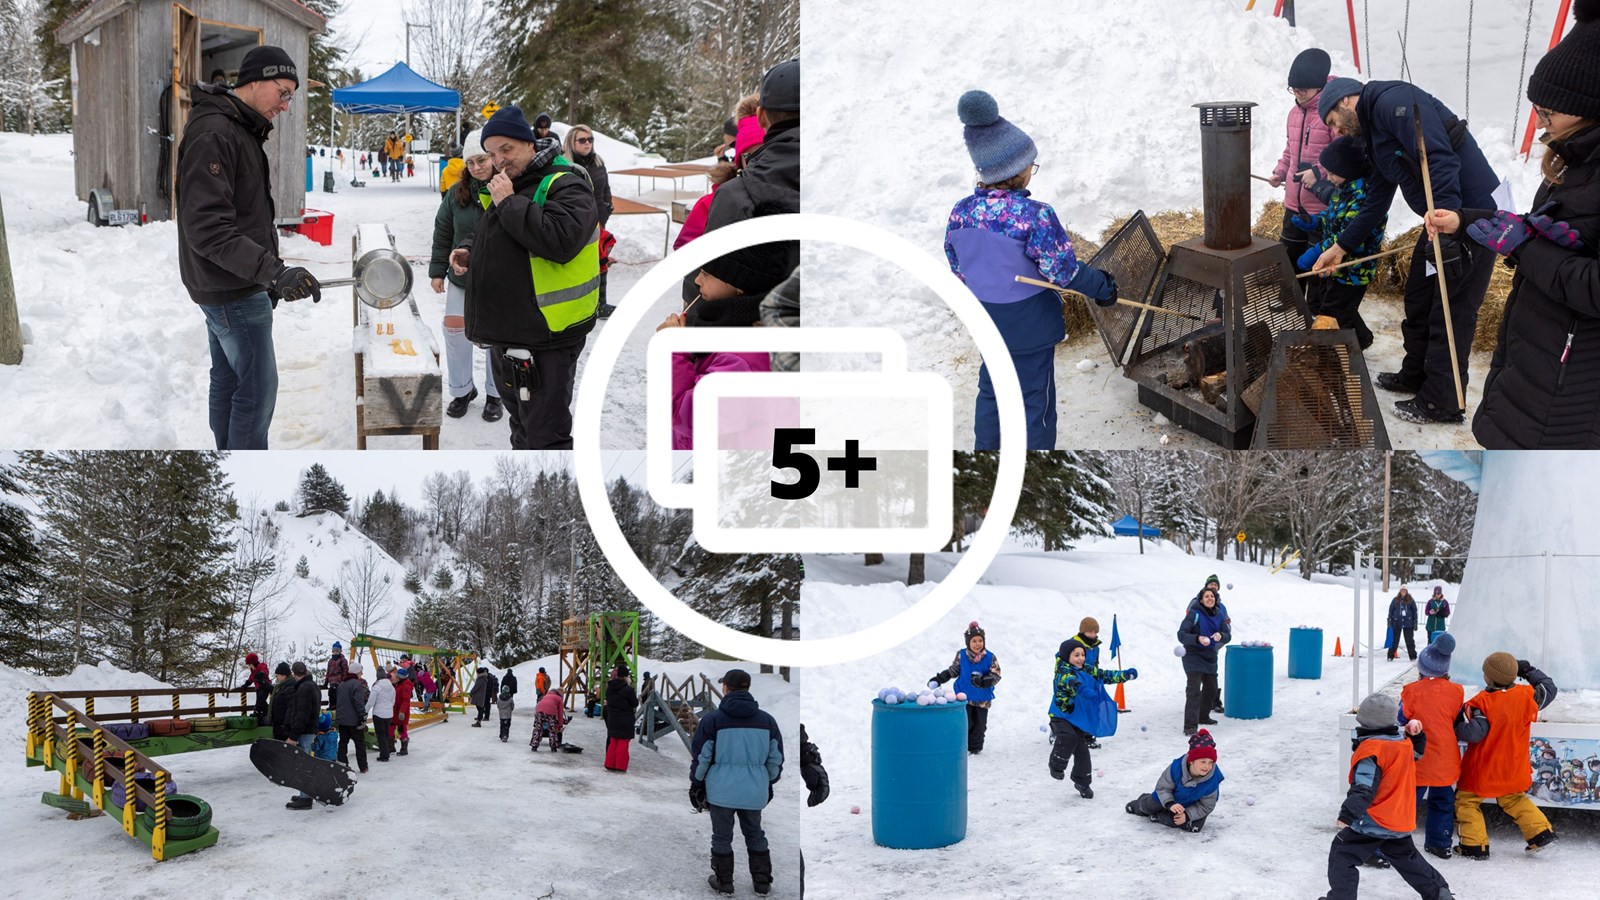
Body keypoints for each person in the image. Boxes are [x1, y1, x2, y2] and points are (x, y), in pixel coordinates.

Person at [1424, 9, 1600, 445]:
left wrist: (1524, 248)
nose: (1539, 123)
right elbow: (1542, 232)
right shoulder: (1574, 159)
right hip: (1535, 361)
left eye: (1548, 112)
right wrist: (1466, 220)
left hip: (1569, 391)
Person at [1315, 77, 1502, 425]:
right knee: (1418, 292)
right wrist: (1340, 248)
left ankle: (1442, 401)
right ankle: (1415, 373)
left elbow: (1439, 158)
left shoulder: (1392, 102)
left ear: (1344, 102)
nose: (1336, 131)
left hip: (1470, 217)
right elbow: (1375, 202)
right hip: (1440, 219)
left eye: (1332, 122)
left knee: (1450, 307)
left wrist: (1447, 231)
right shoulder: (1374, 134)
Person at [946, 90, 1116, 450]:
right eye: (1030, 165)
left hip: (987, 322)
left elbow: (958, 265)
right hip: (1029, 327)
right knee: (1032, 400)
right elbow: (1063, 271)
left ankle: (987, 453)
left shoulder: (961, 212)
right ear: (1015, 170)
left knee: (992, 393)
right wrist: (1102, 286)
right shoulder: (1035, 215)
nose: (1031, 171)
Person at [177, 46, 318, 451]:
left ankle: (228, 453)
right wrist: (272, 272)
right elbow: (207, 228)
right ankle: (246, 466)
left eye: (291, 95)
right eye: (284, 92)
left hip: (231, 283)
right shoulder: (217, 133)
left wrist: (271, 274)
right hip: (232, 290)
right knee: (255, 393)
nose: (286, 105)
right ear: (256, 81)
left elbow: (242, 216)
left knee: (230, 379)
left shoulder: (236, 128)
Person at [450, 106, 600, 450]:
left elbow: (560, 240)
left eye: (508, 149)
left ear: (531, 144)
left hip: (546, 336)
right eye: (492, 152)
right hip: (511, 333)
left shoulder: (565, 182)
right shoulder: (513, 185)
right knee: (520, 426)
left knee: (545, 437)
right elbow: (507, 236)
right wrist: (470, 249)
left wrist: (508, 201)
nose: (499, 160)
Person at [659, 235, 791, 450]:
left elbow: (688, 415)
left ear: (740, 286)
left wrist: (673, 348)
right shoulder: (726, 325)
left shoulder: (742, 357)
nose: (697, 281)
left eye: (707, 274)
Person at [1321, 693, 1453, 900]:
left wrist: (1347, 814)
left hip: (1374, 821)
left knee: (1343, 854)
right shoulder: (1401, 744)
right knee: (1409, 861)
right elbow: (1417, 752)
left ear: (1365, 722)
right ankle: (1439, 894)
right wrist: (1417, 736)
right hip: (1398, 820)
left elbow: (1363, 788)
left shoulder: (1371, 750)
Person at [1454, 651, 1560, 858]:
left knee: (1466, 802)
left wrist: (1456, 725)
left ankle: (1474, 846)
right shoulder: (1526, 697)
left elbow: (1475, 734)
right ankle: (1541, 833)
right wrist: (1528, 671)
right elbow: (1549, 688)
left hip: (1484, 769)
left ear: (1487, 677)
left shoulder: (1481, 703)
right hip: (1513, 767)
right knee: (1514, 800)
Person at [430, 131, 503, 422]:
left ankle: (496, 394)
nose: (476, 167)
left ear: (493, 159)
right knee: (455, 332)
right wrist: (438, 272)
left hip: (498, 280)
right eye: (470, 162)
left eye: (481, 160)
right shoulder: (454, 195)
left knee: (496, 337)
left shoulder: (507, 188)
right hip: (461, 279)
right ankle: (462, 390)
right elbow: (443, 233)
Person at [692, 669, 783, 896]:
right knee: (755, 833)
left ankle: (724, 882)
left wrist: (696, 782)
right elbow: (775, 759)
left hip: (721, 790)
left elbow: (702, 756)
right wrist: (767, 781)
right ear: (747, 688)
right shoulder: (767, 721)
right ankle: (762, 882)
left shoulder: (713, 720)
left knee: (722, 836)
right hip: (754, 790)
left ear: (726, 688)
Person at [1293, 137, 1384, 348]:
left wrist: (1317, 250)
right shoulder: (1344, 190)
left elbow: (1349, 234)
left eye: (1333, 173)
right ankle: (1361, 339)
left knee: (1332, 314)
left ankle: (1330, 357)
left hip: (1353, 270)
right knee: (1342, 306)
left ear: (1350, 170)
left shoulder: (1363, 197)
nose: (1329, 177)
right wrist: (1316, 221)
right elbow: (1335, 216)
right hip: (1336, 267)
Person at [1398, 634, 1464, 859]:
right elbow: (1455, 716)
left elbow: (1401, 717)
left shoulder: (1411, 691)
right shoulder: (1456, 691)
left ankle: (1395, 841)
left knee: (1408, 803)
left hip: (1419, 757)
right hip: (1445, 759)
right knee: (1443, 802)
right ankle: (1439, 842)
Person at [1271, 48, 1336, 270]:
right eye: (1294, 89)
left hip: (1319, 207)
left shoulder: (1331, 114)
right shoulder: (1294, 113)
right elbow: (1290, 149)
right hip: (1293, 203)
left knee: (1314, 262)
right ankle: (1288, 300)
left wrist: (1318, 172)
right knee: (1288, 258)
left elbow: (1342, 156)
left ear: (1320, 86)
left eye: (1303, 90)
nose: (1297, 94)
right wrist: (1280, 171)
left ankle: (1312, 305)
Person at [1046, 638, 1136, 799]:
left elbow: (1104, 675)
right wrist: (1084, 690)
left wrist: (1124, 675)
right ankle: (1056, 764)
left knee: (1082, 751)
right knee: (1069, 737)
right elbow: (1071, 682)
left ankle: (1082, 781)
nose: (1080, 658)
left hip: (1078, 718)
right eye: (1076, 655)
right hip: (1061, 715)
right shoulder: (1063, 672)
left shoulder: (1087, 669)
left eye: (1082, 654)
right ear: (1067, 657)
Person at [563, 125, 617, 318]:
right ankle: (576, 305)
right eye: (582, 140)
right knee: (577, 265)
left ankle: (600, 303)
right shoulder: (565, 164)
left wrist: (607, 206)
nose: (587, 143)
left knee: (601, 262)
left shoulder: (598, 162)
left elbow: (606, 189)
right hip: (575, 222)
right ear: (572, 142)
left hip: (599, 221)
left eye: (590, 139)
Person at [1125, 729, 1224, 832]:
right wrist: (1170, 804)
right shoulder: (1176, 769)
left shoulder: (1212, 779)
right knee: (1148, 807)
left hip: (1189, 806)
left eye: (1210, 762)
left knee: (1194, 826)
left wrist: (1187, 815)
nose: (1207, 766)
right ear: (1191, 761)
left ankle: (1159, 816)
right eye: (1203, 761)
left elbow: (1207, 805)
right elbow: (1163, 788)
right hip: (1168, 799)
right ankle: (1140, 803)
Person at [928, 620, 1001, 754]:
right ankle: (962, 746)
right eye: (974, 641)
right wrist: (940, 678)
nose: (977, 644)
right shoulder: (962, 655)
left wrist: (984, 681)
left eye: (980, 640)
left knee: (980, 725)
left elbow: (996, 675)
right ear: (968, 642)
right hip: (963, 696)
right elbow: (954, 670)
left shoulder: (990, 657)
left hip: (982, 699)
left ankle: (975, 749)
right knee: (966, 723)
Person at [1179, 586, 1231, 734]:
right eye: (1207, 596)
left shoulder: (1219, 615)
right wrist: (1197, 638)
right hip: (1193, 655)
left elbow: (1228, 635)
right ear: (1201, 600)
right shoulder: (1194, 614)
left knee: (1211, 689)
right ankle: (1190, 726)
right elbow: (1181, 634)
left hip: (1210, 656)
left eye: (1212, 597)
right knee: (1194, 690)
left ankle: (1203, 716)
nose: (1210, 599)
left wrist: (1222, 636)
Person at [284, 661, 323, 809]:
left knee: (303, 765)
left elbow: (302, 714)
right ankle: (304, 793)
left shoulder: (304, 689)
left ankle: (305, 798)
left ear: (294, 674)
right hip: (309, 729)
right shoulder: (312, 686)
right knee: (304, 763)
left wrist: (293, 736)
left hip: (304, 731)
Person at [334, 662, 369, 773]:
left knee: (343, 742)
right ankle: (363, 766)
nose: (362, 674)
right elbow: (358, 702)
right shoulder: (357, 684)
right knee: (359, 743)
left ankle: (342, 764)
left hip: (342, 719)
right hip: (354, 720)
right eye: (360, 672)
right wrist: (362, 716)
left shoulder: (341, 684)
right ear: (357, 672)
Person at [604, 664, 639, 772]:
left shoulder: (609, 688)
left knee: (613, 741)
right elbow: (635, 703)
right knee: (623, 743)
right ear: (625, 676)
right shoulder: (627, 689)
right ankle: (620, 765)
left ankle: (609, 764)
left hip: (613, 718)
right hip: (625, 719)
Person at [367, 666, 396, 763]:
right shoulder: (391, 687)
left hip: (378, 714)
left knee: (380, 735)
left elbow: (371, 702)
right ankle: (386, 751)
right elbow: (393, 701)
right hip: (389, 714)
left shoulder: (376, 687)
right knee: (386, 734)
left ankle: (384, 755)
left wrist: (365, 711)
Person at [237, 652, 271, 723]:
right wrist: (246, 684)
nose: (249, 666)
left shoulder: (261, 666)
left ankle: (258, 712)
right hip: (258, 688)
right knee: (261, 700)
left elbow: (265, 671)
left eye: (249, 664)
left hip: (265, 686)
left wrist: (261, 674)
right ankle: (265, 712)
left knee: (260, 700)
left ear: (253, 663)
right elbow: (251, 678)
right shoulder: (253, 671)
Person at [1387, 586, 1419, 661]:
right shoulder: (1395, 600)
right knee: (1394, 640)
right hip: (1397, 623)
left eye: (1405, 590)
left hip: (1408, 623)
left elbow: (1415, 612)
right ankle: (1390, 656)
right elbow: (1391, 610)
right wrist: (1390, 621)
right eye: (1402, 590)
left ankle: (1413, 656)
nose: (1403, 592)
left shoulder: (1411, 600)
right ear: (1400, 591)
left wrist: (1415, 622)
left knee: (1409, 641)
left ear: (1407, 591)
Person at [392, 656, 415, 755]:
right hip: (395, 711)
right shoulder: (399, 684)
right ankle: (391, 746)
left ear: (400, 678)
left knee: (402, 730)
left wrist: (402, 711)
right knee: (391, 728)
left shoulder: (405, 686)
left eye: (397, 677)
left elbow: (405, 700)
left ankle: (404, 749)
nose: (395, 678)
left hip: (401, 712)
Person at [268, 661, 294, 740]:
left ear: (284, 675)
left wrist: (285, 724)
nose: (277, 678)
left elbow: (290, 707)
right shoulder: (281, 686)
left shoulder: (290, 687)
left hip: (283, 724)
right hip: (278, 722)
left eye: (278, 675)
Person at [323, 641, 349, 709]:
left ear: (340, 651)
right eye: (334, 651)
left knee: (335, 692)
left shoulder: (342, 660)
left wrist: (344, 680)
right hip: (332, 681)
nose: (335, 652)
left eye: (337, 651)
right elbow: (328, 671)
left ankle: (335, 706)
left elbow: (345, 670)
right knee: (331, 692)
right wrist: (326, 681)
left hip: (339, 680)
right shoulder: (330, 661)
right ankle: (332, 705)